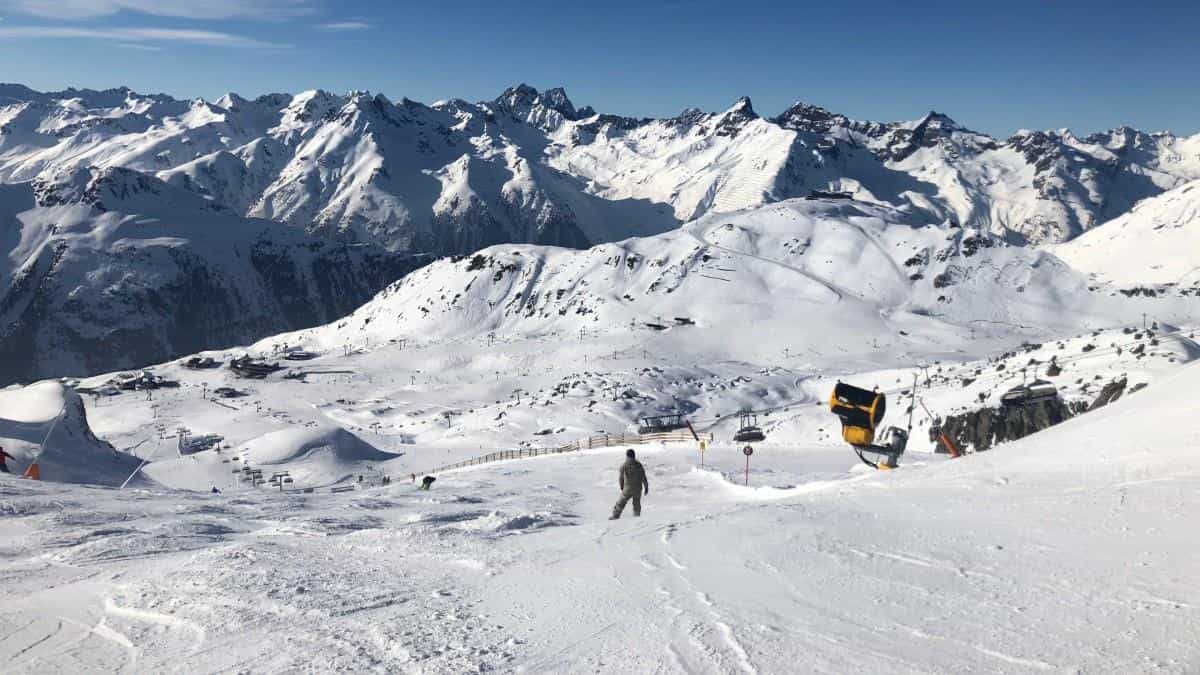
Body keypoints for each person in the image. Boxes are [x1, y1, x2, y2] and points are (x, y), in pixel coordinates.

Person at [610, 449, 649, 519]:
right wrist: (646, 487)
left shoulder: (624, 465)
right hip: (637, 488)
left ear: (627, 456)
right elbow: (643, 477)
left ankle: (615, 515)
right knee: (636, 503)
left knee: (621, 503)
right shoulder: (639, 465)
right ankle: (636, 516)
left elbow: (621, 478)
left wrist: (621, 486)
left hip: (627, 488)